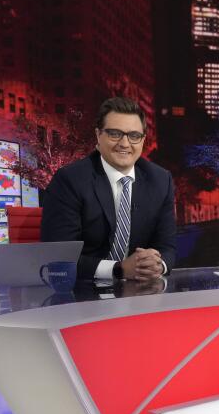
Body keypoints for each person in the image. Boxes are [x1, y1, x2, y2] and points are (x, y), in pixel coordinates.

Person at [41, 97, 176, 282]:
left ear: (143, 139)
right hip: (81, 292)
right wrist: (118, 269)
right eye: (115, 134)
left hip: (141, 292)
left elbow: (167, 247)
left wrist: (157, 265)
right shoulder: (70, 180)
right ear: (98, 135)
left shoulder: (160, 180)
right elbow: (58, 256)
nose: (125, 143)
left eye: (134, 136)